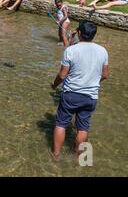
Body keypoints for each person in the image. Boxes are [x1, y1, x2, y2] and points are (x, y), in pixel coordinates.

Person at [50, 21, 109, 161]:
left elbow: (62, 75)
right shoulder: (103, 51)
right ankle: (78, 157)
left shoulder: (71, 50)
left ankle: (56, 155)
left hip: (71, 94)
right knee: (83, 128)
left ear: (79, 33)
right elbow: (105, 75)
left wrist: (54, 85)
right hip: (90, 97)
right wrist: (93, 82)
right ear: (94, 34)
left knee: (61, 124)